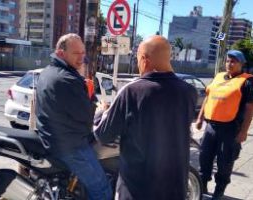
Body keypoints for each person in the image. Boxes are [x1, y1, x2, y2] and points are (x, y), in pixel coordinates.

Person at [94, 35, 197, 200]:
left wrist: (102, 112)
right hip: (175, 188)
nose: (137, 66)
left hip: (137, 189)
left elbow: (104, 134)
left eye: (137, 60)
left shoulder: (131, 92)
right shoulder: (189, 92)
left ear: (144, 59)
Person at [35, 33, 112, 200]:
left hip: (51, 137)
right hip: (71, 146)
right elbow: (87, 116)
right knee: (102, 189)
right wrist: (100, 109)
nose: (81, 58)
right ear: (61, 53)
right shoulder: (68, 78)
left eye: (83, 53)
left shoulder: (48, 72)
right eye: (76, 53)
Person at [195, 50, 253, 199]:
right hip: (211, 128)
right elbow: (208, 98)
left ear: (242, 64)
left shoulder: (247, 82)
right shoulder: (218, 77)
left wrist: (244, 131)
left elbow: (249, 108)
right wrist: (200, 118)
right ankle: (202, 187)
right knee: (204, 159)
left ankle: (218, 192)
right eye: (228, 61)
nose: (229, 64)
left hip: (231, 129)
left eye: (234, 61)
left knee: (225, 163)